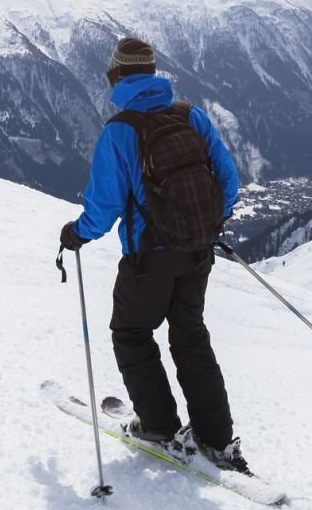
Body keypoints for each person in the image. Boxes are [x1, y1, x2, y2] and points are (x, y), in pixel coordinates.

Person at [59, 37, 250, 474]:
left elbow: (104, 207)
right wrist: (208, 224)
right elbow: (227, 179)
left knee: (131, 333)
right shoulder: (190, 115)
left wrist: (76, 235)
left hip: (150, 258)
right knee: (190, 337)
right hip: (198, 251)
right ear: (152, 71)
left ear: (117, 75)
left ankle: (160, 427)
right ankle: (217, 439)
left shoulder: (121, 131)